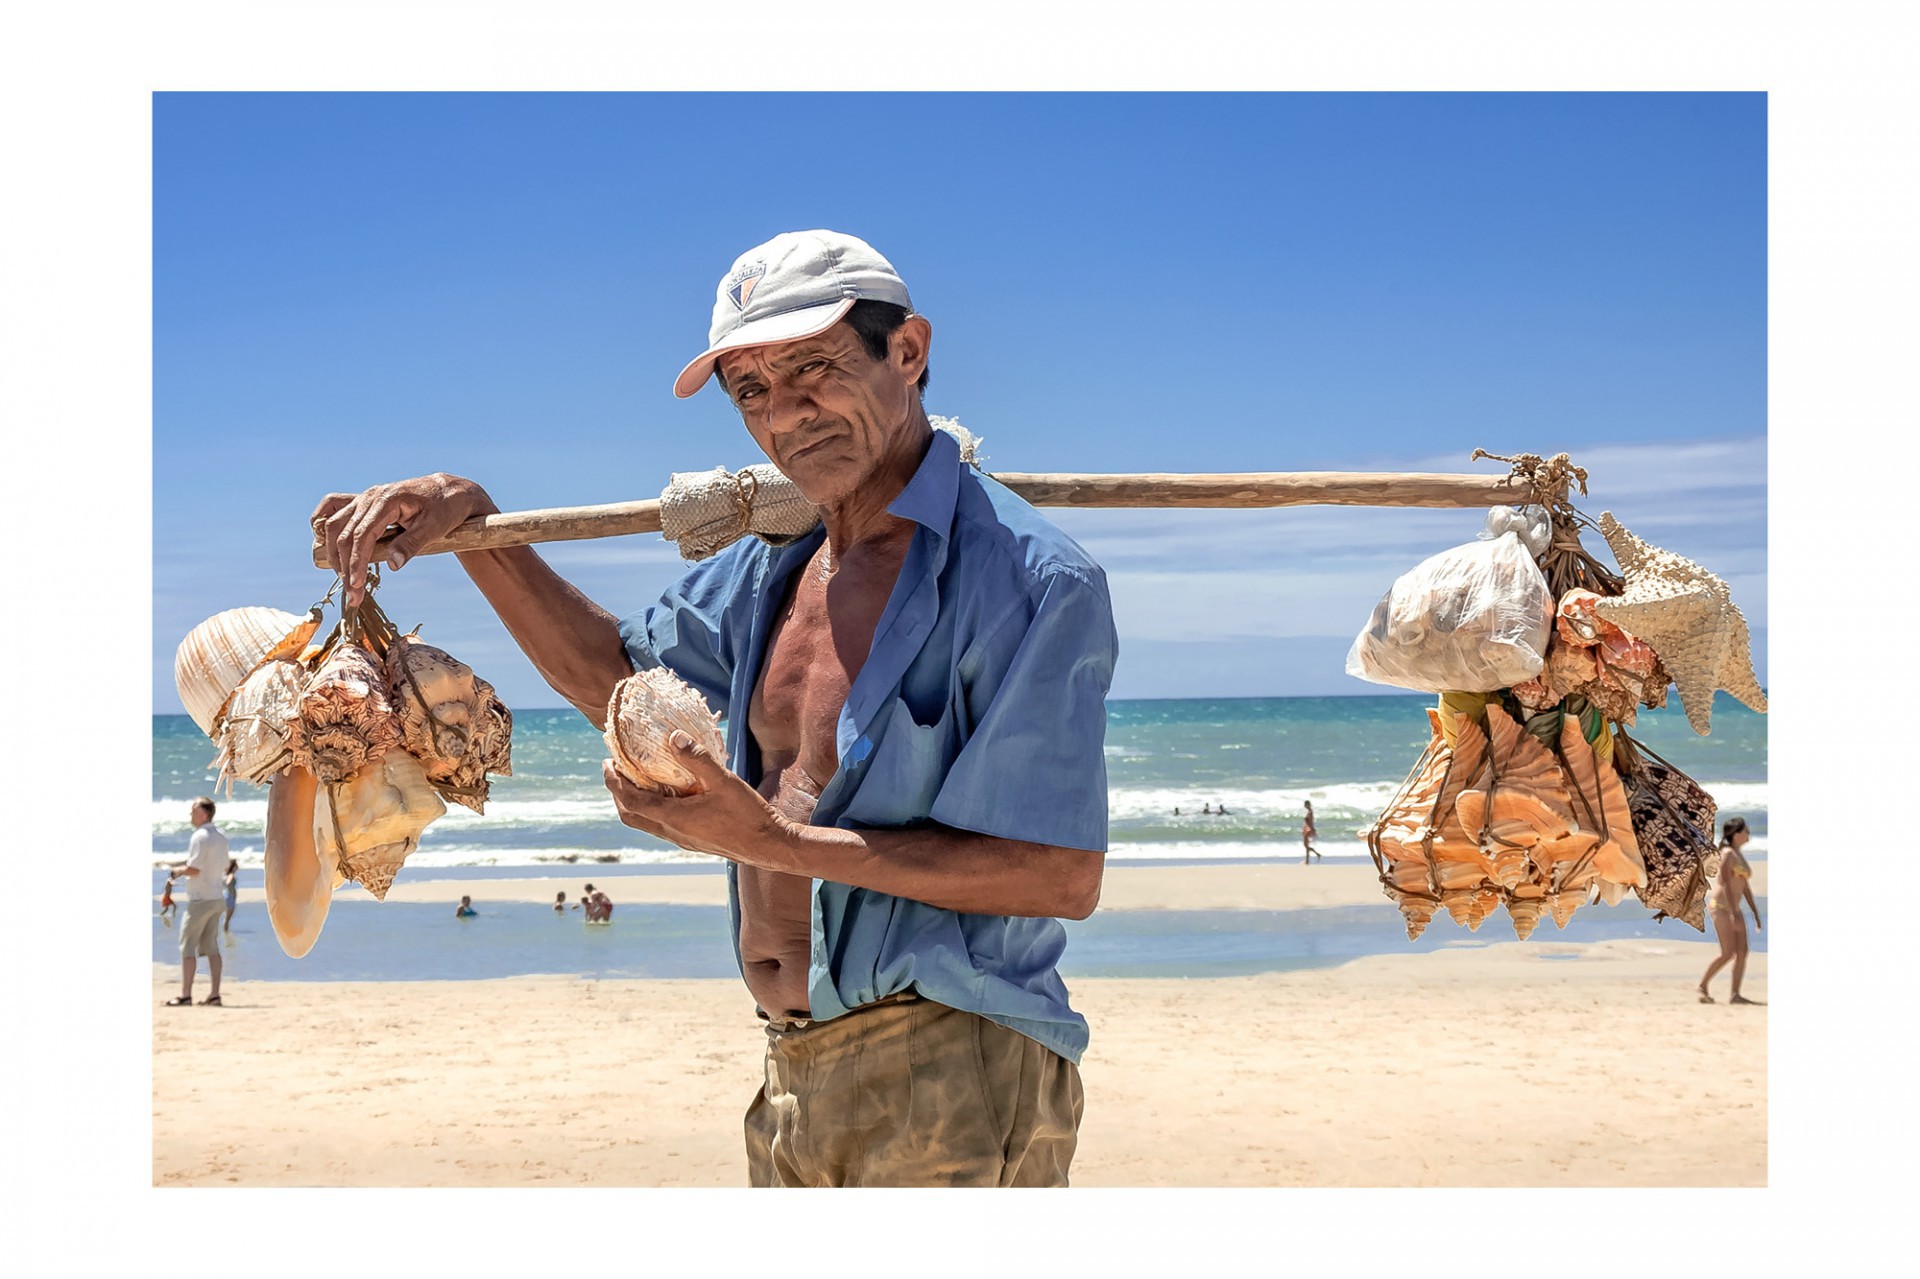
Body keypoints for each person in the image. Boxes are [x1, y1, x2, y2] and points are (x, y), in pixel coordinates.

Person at [313, 229, 1115, 1188]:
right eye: (751, 391)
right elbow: (613, 677)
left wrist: (768, 841)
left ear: (907, 352)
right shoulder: (769, 572)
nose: (785, 415)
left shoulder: (1030, 579)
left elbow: (1060, 876)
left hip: (956, 1059)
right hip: (788, 1070)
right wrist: (481, 529)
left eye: (813, 368)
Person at [164, 797, 231, 1006]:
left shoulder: (200, 837)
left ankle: (185, 995)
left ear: (203, 813)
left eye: (193, 811)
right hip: (217, 898)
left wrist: (177, 872)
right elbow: (224, 866)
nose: (190, 815)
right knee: (212, 947)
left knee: (187, 947)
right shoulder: (221, 836)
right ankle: (214, 994)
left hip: (200, 901)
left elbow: (194, 869)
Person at [1699, 817, 1762, 1005]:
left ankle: (1735, 994)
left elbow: (1744, 886)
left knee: (1742, 952)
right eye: (1745, 830)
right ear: (1736, 834)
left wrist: (1754, 912)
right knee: (1728, 952)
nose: (1748, 833)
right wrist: (1734, 913)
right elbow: (1724, 881)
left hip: (1734, 908)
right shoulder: (1727, 853)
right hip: (1721, 907)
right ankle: (1702, 985)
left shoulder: (1738, 854)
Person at [222, 858, 239, 934]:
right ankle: (226, 930)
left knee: (227, 916)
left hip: (226, 894)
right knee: (228, 917)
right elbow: (228, 883)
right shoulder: (231, 875)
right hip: (230, 896)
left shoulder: (224, 875)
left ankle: (226, 929)